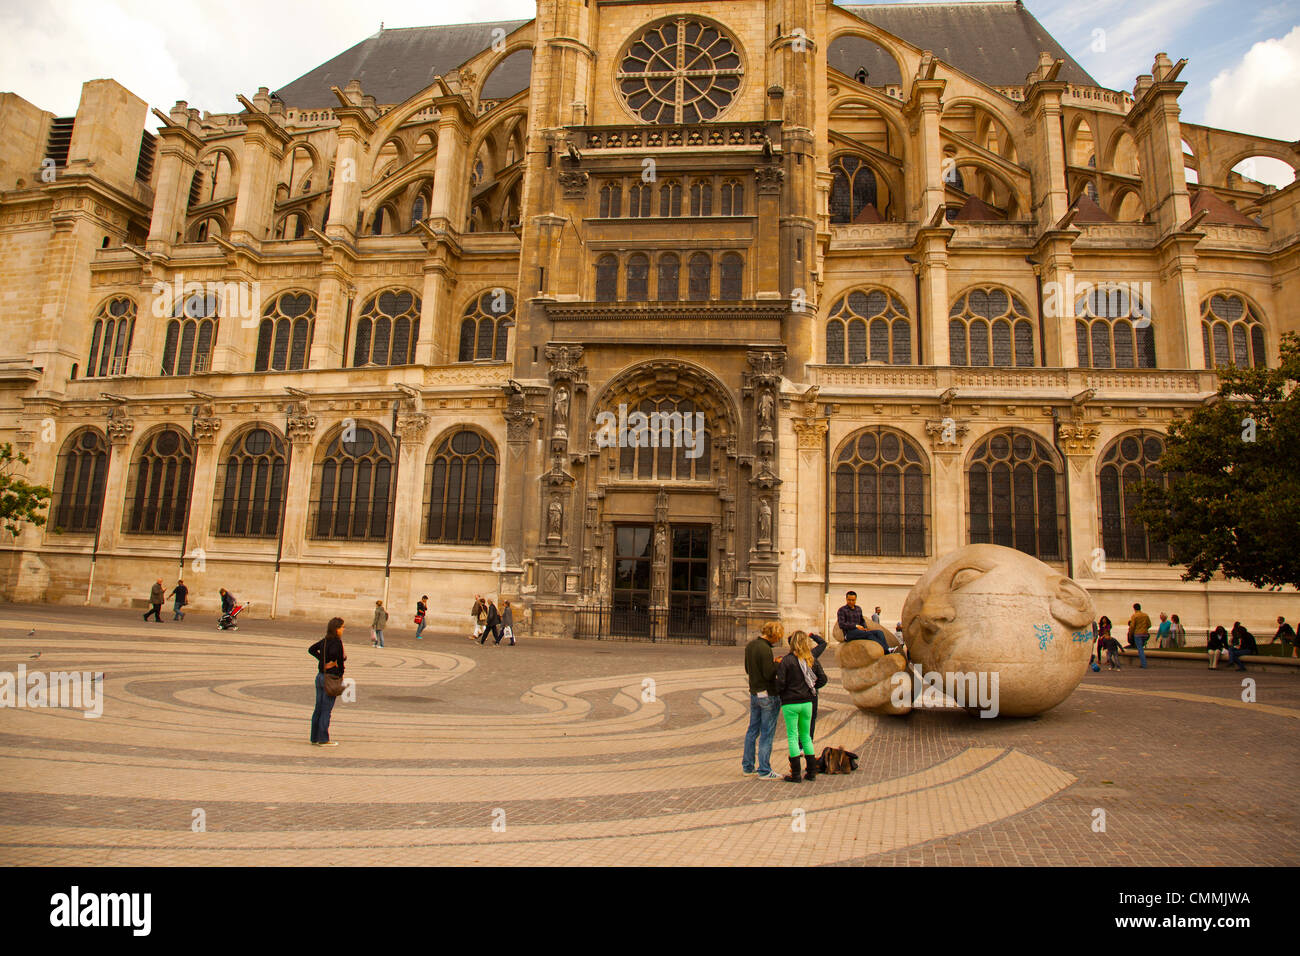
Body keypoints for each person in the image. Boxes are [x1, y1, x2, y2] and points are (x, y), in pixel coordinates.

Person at [774, 632, 827, 783]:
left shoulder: (787, 660)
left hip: (791, 703)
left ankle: (795, 774)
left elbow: (781, 682)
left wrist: (780, 691)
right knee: (806, 737)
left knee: (792, 736)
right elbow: (823, 679)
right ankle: (811, 772)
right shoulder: (811, 660)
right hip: (807, 702)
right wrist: (812, 688)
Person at [742, 621, 785, 780]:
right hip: (768, 695)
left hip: (754, 693)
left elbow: (748, 668)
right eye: (777, 637)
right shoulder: (765, 649)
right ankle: (764, 769)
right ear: (773, 634)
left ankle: (747, 766)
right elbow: (768, 674)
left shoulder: (751, 645)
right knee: (767, 732)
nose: (777, 640)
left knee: (752, 730)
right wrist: (777, 663)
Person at [308, 618, 346, 746]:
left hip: (320, 676)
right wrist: (339, 670)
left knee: (318, 708)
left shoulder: (325, 641)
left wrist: (322, 661)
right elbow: (338, 659)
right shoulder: (336, 642)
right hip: (330, 678)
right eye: (342, 627)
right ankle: (323, 739)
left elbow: (311, 649)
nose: (343, 629)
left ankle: (314, 737)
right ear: (336, 629)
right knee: (326, 709)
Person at [1128, 603, 1151, 668]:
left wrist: (1130, 634)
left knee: (1140, 649)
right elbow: (1149, 624)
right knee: (1141, 648)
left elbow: (1132, 626)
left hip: (1138, 634)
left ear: (1134, 608)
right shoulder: (1145, 615)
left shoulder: (1134, 616)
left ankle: (1144, 664)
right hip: (1145, 634)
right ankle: (1143, 662)